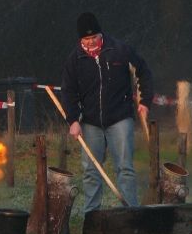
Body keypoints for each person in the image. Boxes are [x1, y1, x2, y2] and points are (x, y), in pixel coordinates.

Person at [61, 12, 153, 213]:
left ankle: (132, 213)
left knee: (125, 168)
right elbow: (68, 92)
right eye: (86, 39)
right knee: (91, 170)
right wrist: (73, 120)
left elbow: (143, 72)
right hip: (90, 122)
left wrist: (145, 101)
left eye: (94, 37)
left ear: (100, 34)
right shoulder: (74, 60)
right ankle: (91, 216)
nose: (91, 42)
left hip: (120, 117)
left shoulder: (120, 51)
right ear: (80, 40)